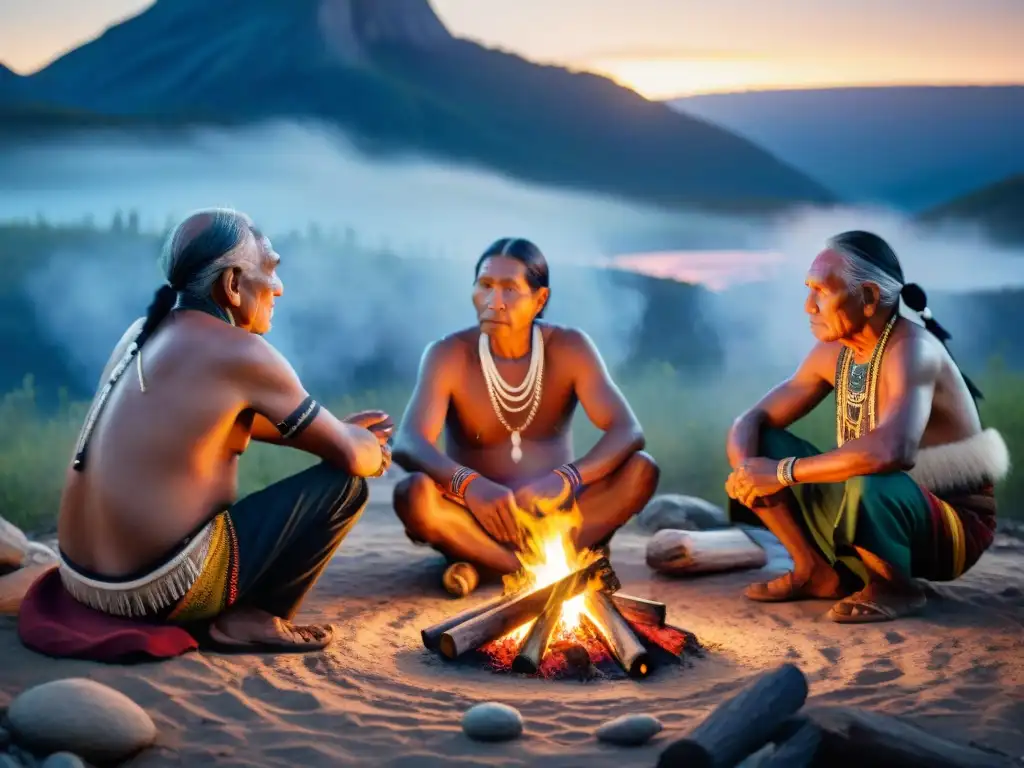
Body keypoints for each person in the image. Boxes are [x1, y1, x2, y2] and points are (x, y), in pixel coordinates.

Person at [54, 208, 393, 651]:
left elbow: (208, 425)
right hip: (155, 587)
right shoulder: (242, 352)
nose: (279, 288)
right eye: (271, 270)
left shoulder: (141, 333)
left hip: (80, 576)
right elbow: (354, 460)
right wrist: (365, 445)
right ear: (232, 285)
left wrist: (331, 431)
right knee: (345, 486)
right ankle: (255, 616)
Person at [725, 231, 1008, 623]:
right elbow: (752, 419)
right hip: (877, 499)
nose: (809, 306)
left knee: (869, 474)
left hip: (951, 525)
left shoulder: (913, 350)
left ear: (870, 297)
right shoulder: (833, 352)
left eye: (821, 292)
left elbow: (893, 452)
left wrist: (781, 473)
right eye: (808, 290)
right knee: (762, 443)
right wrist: (746, 469)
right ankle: (814, 571)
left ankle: (895, 587)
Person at [391, 237, 659, 592]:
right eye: (485, 286)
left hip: (559, 513)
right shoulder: (448, 354)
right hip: (477, 519)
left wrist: (566, 479)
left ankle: (486, 564)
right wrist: (469, 485)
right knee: (415, 496)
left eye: (509, 289)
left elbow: (627, 431)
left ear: (540, 299)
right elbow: (410, 442)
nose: (494, 302)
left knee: (641, 470)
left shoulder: (569, 348)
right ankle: (535, 568)